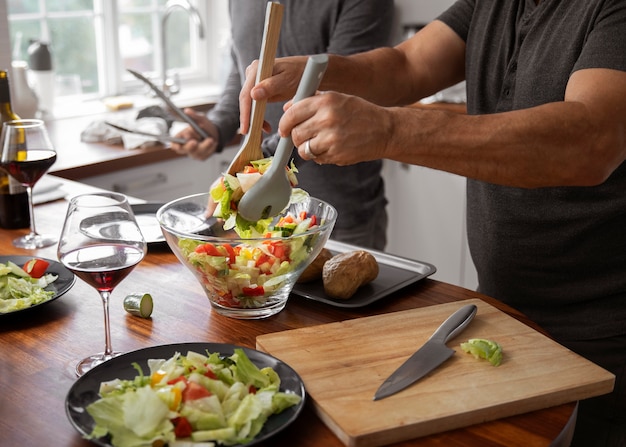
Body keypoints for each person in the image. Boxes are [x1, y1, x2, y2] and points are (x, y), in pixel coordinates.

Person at [238, 1, 626, 445]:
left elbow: (592, 139)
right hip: (504, 309)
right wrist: (315, 71)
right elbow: (406, 64)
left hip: (605, 332)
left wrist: (389, 130)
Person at [172, 0, 393, 250]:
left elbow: (340, 99)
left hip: (338, 215)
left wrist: (256, 165)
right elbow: (243, 72)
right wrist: (215, 125)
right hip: (262, 215)